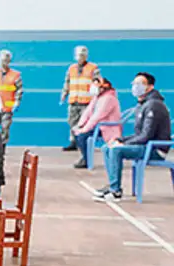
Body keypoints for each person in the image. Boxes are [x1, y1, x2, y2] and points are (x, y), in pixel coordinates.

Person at [95, 72, 171, 201]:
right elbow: (138, 135)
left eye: (140, 84)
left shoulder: (154, 105)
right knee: (107, 147)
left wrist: (123, 144)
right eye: (134, 83)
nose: (136, 86)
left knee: (116, 150)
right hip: (144, 145)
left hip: (154, 149)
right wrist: (119, 139)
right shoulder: (142, 105)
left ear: (150, 87)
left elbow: (146, 136)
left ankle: (115, 192)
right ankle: (113, 184)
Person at [73, 77, 122, 169]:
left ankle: (86, 160)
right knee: (76, 133)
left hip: (107, 127)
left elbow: (97, 116)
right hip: (97, 126)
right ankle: (85, 157)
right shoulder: (97, 97)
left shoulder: (109, 98)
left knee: (82, 136)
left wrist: (84, 129)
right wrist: (80, 125)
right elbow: (87, 112)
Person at [61, 45, 100, 151]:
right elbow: (67, 82)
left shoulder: (93, 68)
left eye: (83, 55)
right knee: (72, 122)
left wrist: (95, 97)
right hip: (74, 100)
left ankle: (83, 142)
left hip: (86, 101)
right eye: (79, 55)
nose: (80, 57)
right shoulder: (71, 68)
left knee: (84, 123)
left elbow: (97, 83)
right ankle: (73, 141)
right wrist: (64, 94)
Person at [0, 49, 23, 144]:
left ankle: (2, 148)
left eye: (5, 60)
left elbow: (19, 90)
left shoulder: (15, 75)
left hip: (8, 107)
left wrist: (16, 103)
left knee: (5, 128)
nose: (3, 63)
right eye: (1, 60)